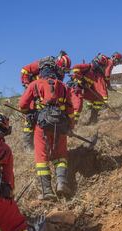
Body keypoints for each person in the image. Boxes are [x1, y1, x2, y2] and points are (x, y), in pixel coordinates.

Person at [18, 57, 75, 200]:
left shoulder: (35, 84)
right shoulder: (63, 86)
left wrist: (31, 112)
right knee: (61, 156)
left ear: (41, 71)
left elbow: (22, 105)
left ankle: (47, 191)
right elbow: (70, 109)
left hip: (41, 127)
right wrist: (70, 127)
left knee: (42, 158)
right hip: (60, 125)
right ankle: (61, 182)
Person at [20, 52, 72, 151]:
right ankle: (28, 144)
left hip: (47, 98)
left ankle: (49, 144)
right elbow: (24, 70)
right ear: (58, 64)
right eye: (63, 69)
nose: (63, 72)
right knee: (30, 116)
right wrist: (27, 85)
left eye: (65, 70)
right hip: (34, 92)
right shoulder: (42, 64)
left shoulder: (59, 74)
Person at [71, 54, 109, 124]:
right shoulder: (87, 67)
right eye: (100, 66)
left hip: (85, 90)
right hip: (76, 88)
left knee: (99, 98)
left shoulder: (94, 74)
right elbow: (75, 68)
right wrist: (80, 78)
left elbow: (91, 84)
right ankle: (73, 124)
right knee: (78, 105)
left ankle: (93, 119)